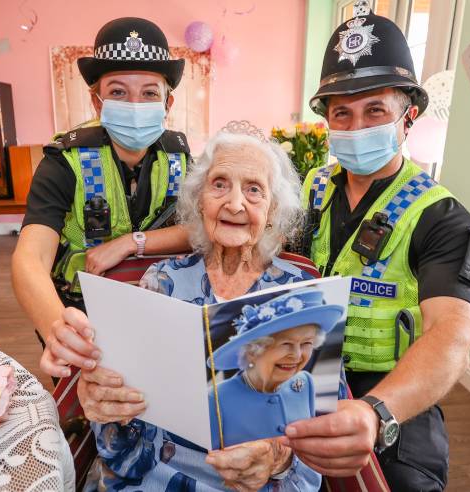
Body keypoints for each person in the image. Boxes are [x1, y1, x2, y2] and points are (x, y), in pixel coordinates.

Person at [282, 5, 470, 491]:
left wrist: (377, 412)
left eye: (375, 110)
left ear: (408, 116)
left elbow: (452, 332)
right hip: (302, 374)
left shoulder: (441, 217)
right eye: (342, 113)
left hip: (390, 392)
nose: (357, 127)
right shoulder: (313, 187)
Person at [57, 129, 322, 491]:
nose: (234, 204)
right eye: (220, 185)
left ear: (272, 210)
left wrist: (278, 458)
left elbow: (319, 437)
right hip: (153, 475)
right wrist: (108, 408)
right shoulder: (162, 280)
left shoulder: (303, 295)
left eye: (254, 190)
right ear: (200, 201)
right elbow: (121, 440)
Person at [11, 17, 192, 378]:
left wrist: (131, 242)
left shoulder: (180, 158)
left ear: (167, 102)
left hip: (158, 305)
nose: (135, 104)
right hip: (81, 310)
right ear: (97, 102)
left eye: (149, 93)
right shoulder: (65, 162)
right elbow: (30, 258)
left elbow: (200, 230)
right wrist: (59, 330)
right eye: (118, 92)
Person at [207, 288, 343, 453]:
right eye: (285, 344)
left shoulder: (304, 383)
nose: (297, 355)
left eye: (307, 343)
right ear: (252, 351)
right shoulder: (215, 400)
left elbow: (313, 469)